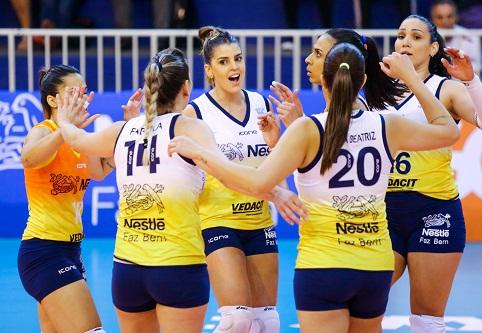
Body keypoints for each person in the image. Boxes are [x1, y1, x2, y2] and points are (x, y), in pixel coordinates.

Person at [168, 42, 461, 333]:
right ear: (362, 81)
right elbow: (449, 131)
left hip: (323, 265)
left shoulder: (307, 129)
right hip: (374, 265)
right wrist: (413, 79)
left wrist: (202, 155)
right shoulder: (388, 124)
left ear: (323, 80)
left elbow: (257, 181)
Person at [56, 48, 304, 333]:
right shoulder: (189, 128)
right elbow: (228, 175)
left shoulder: (122, 130)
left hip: (127, 269)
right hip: (177, 265)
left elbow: (78, 140)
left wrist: (64, 120)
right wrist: (276, 193)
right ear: (186, 87)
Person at [380, 15, 482, 333]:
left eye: (416, 37)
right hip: (382, 212)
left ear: (433, 48)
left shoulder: (445, 88)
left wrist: (471, 81)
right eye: (401, 34)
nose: (405, 41)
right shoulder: (376, 89)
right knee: (364, 306)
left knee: (427, 321)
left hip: (433, 210)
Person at [182, 26, 282, 333]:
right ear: (209, 70)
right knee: (238, 320)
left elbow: (275, 161)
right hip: (219, 221)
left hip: (260, 221)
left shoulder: (261, 104)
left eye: (238, 59)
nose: (234, 67)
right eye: (224, 62)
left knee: (267, 322)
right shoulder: (195, 112)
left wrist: (276, 140)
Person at [17, 64, 113, 333]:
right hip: (43, 251)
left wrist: (127, 127)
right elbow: (28, 158)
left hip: (71, 251)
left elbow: (99, 171)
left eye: (82, 92)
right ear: (52, 100)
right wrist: (64, 129)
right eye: (73, 93)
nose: (80, 98)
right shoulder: (44, 130)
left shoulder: (79, 137)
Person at [270, 28, 406, 127]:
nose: (307, 59)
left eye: (318, 53)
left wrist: (297, 125)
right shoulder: (344, 102)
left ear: (340, 59)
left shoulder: (352, 108)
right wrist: (301, 119)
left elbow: (325, 163)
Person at [430, 0, 482, 76]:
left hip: (467, 84)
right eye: (440, 17)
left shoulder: (470, 37)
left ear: (456, 17)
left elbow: (477, 69)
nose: (445, 21)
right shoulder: (427, 38)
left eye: (449, 16)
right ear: (432, 19)